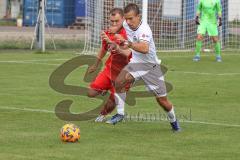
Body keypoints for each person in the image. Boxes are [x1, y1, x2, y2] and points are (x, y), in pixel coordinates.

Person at [106, 3, 180, 132]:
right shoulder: (125, 24)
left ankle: (174, 123)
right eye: (126, 19)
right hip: (135, 63)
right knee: (119, 82)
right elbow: (119, 27)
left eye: (131, 19)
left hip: (151, 68)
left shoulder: (144, 29)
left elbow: (144, 49)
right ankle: (120, 114)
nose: (128, 22)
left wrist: (128, 43)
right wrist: (113, 35)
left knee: (162, 101)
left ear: (138, 17)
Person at [87, 8, 131, 122]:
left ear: (123, 19)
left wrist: (112, 39)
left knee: (112, 102)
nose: (114, 23)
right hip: (109, 70)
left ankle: (102, 114)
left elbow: (126, 51)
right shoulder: (108, 33)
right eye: (112, 21)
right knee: (90, 92)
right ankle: (104, 89)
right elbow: (104, 49)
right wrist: (96, 64)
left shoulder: (129, 33)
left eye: (117, 21)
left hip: (124, 73)